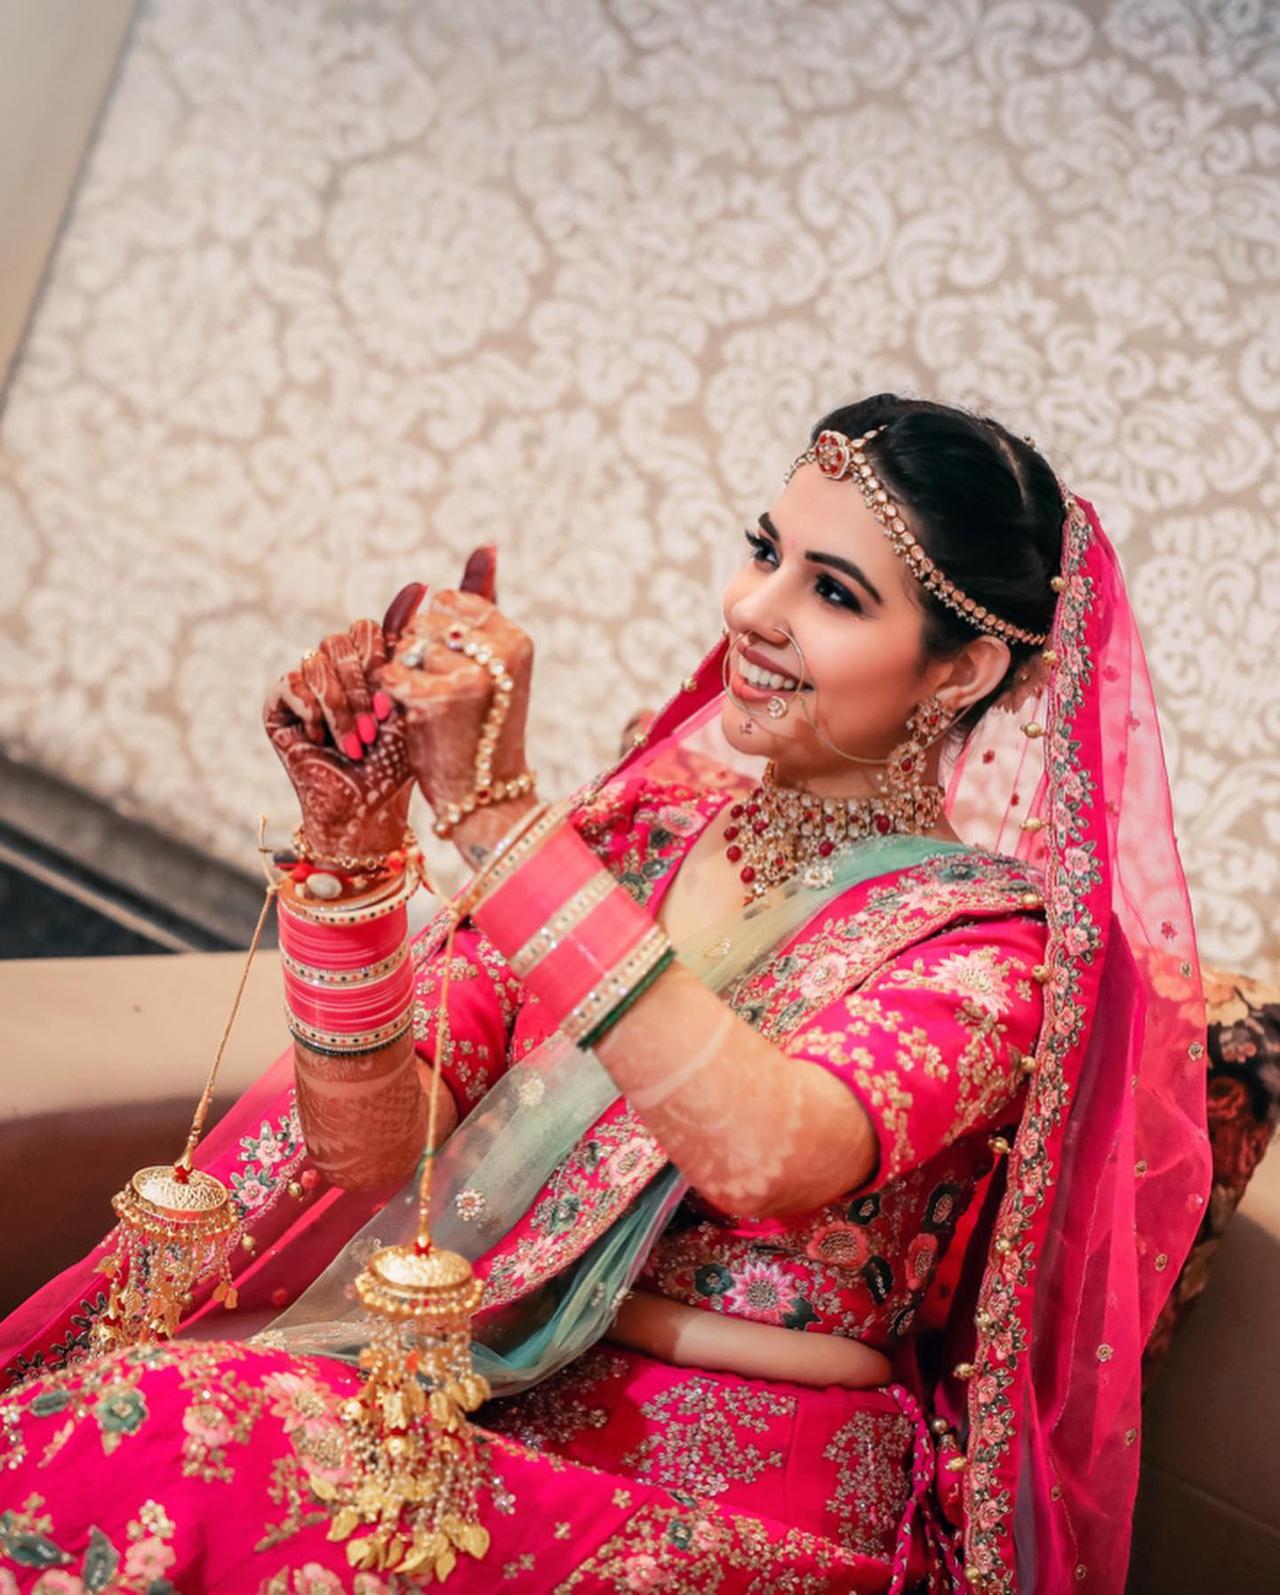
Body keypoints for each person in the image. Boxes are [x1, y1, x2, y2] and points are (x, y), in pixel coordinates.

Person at [0, 396, 1209, 1594]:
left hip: (736, 1479)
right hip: (474, 1392)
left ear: (967, 667)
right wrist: (352, 860)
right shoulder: (630, 835)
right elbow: (375, 1147)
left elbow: (767, 1150)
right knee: (113, 1420)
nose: (753, 609)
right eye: (763, 552)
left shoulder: (989, 942)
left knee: (160, 1436)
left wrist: (492, 815)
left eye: (832, 592)